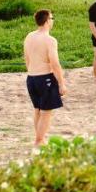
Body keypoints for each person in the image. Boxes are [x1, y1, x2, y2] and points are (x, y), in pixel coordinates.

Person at [24, 9, 67, 146]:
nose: (53, 20)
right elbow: (55, 63)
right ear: (47, 21)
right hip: (45, 78)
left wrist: (32, 71)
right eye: (52, 18)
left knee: (37, 110)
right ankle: (39, 140)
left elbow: (27, 58)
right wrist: (61, 83)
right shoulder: (50, 40)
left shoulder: (29, 36)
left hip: (31, 78)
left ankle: (39, 138)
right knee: (46, 112)